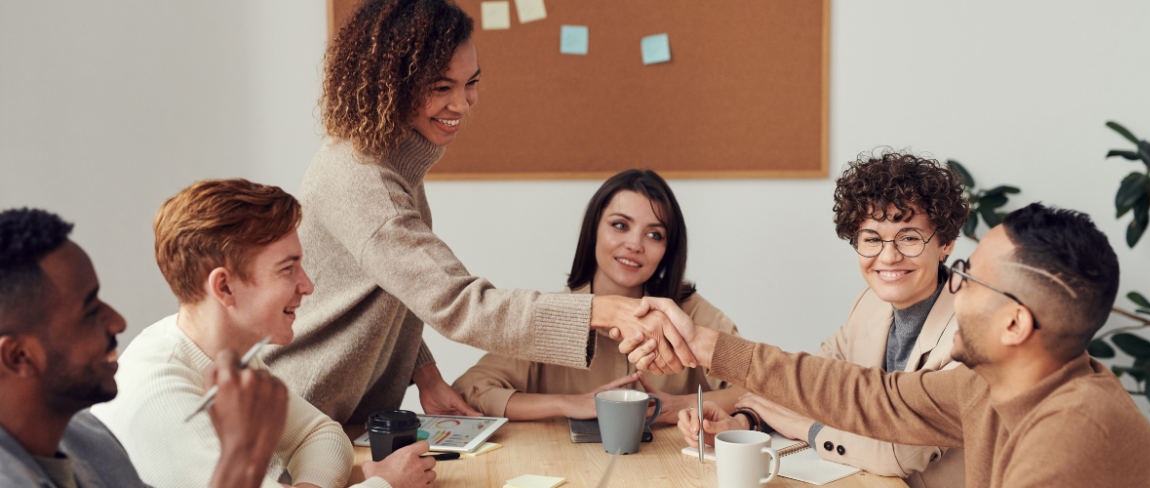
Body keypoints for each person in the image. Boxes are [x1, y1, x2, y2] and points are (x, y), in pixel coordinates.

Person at [262, 0, 692, 425]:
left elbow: (398, 289)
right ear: (393, 83)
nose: (464, 104)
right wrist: (599, 311)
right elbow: (459, 303)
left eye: (471, 82)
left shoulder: (391, 163)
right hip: (302, 414)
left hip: (343, 417)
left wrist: (425, 374)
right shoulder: (364, 181)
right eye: (442, 87)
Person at [640, 203, 1150, 487]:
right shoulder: (985, 386)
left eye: (966, 277)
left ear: (1014, 325)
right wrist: (708, 346)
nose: (951, 287)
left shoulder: (1076, 432)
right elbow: (869, 395)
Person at [90, 180, 435, 488]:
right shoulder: (163, 399)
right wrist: (386, 485)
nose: (308, 286)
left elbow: (321, 434)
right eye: (287, 269)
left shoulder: (226, 353)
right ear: (224, 287)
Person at [679, 152, 968, 487]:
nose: (888, 256)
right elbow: (815, 385)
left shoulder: (970, 332)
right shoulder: (869, 304)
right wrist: (746, 422)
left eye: (909, 238)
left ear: (945, 243)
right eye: (872, 239)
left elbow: (901, 453)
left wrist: (806, 430)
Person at [0, 208, 287, 488]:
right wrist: (243, 457)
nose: (118, 322)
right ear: (18, 356)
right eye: (89, 312)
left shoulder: (91, 441)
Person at [453, 170, 744, 422]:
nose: (634, 244)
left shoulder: (693, 316)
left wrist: (683, 405)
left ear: (668, 250)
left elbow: (763, 390)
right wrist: (569, 403)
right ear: (593, 230)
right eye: (620, 225)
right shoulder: (552, 316)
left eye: (654, 235)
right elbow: (470, 389)